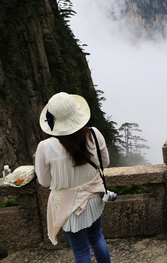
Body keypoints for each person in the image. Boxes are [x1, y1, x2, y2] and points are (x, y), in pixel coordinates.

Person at [34, 92, 112, 263]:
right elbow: (104, 163)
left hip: (66, 205)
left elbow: (44, 182)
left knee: (81, 250)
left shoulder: (45, 147)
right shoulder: (94, 133)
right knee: (97, 238)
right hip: (93, 197)